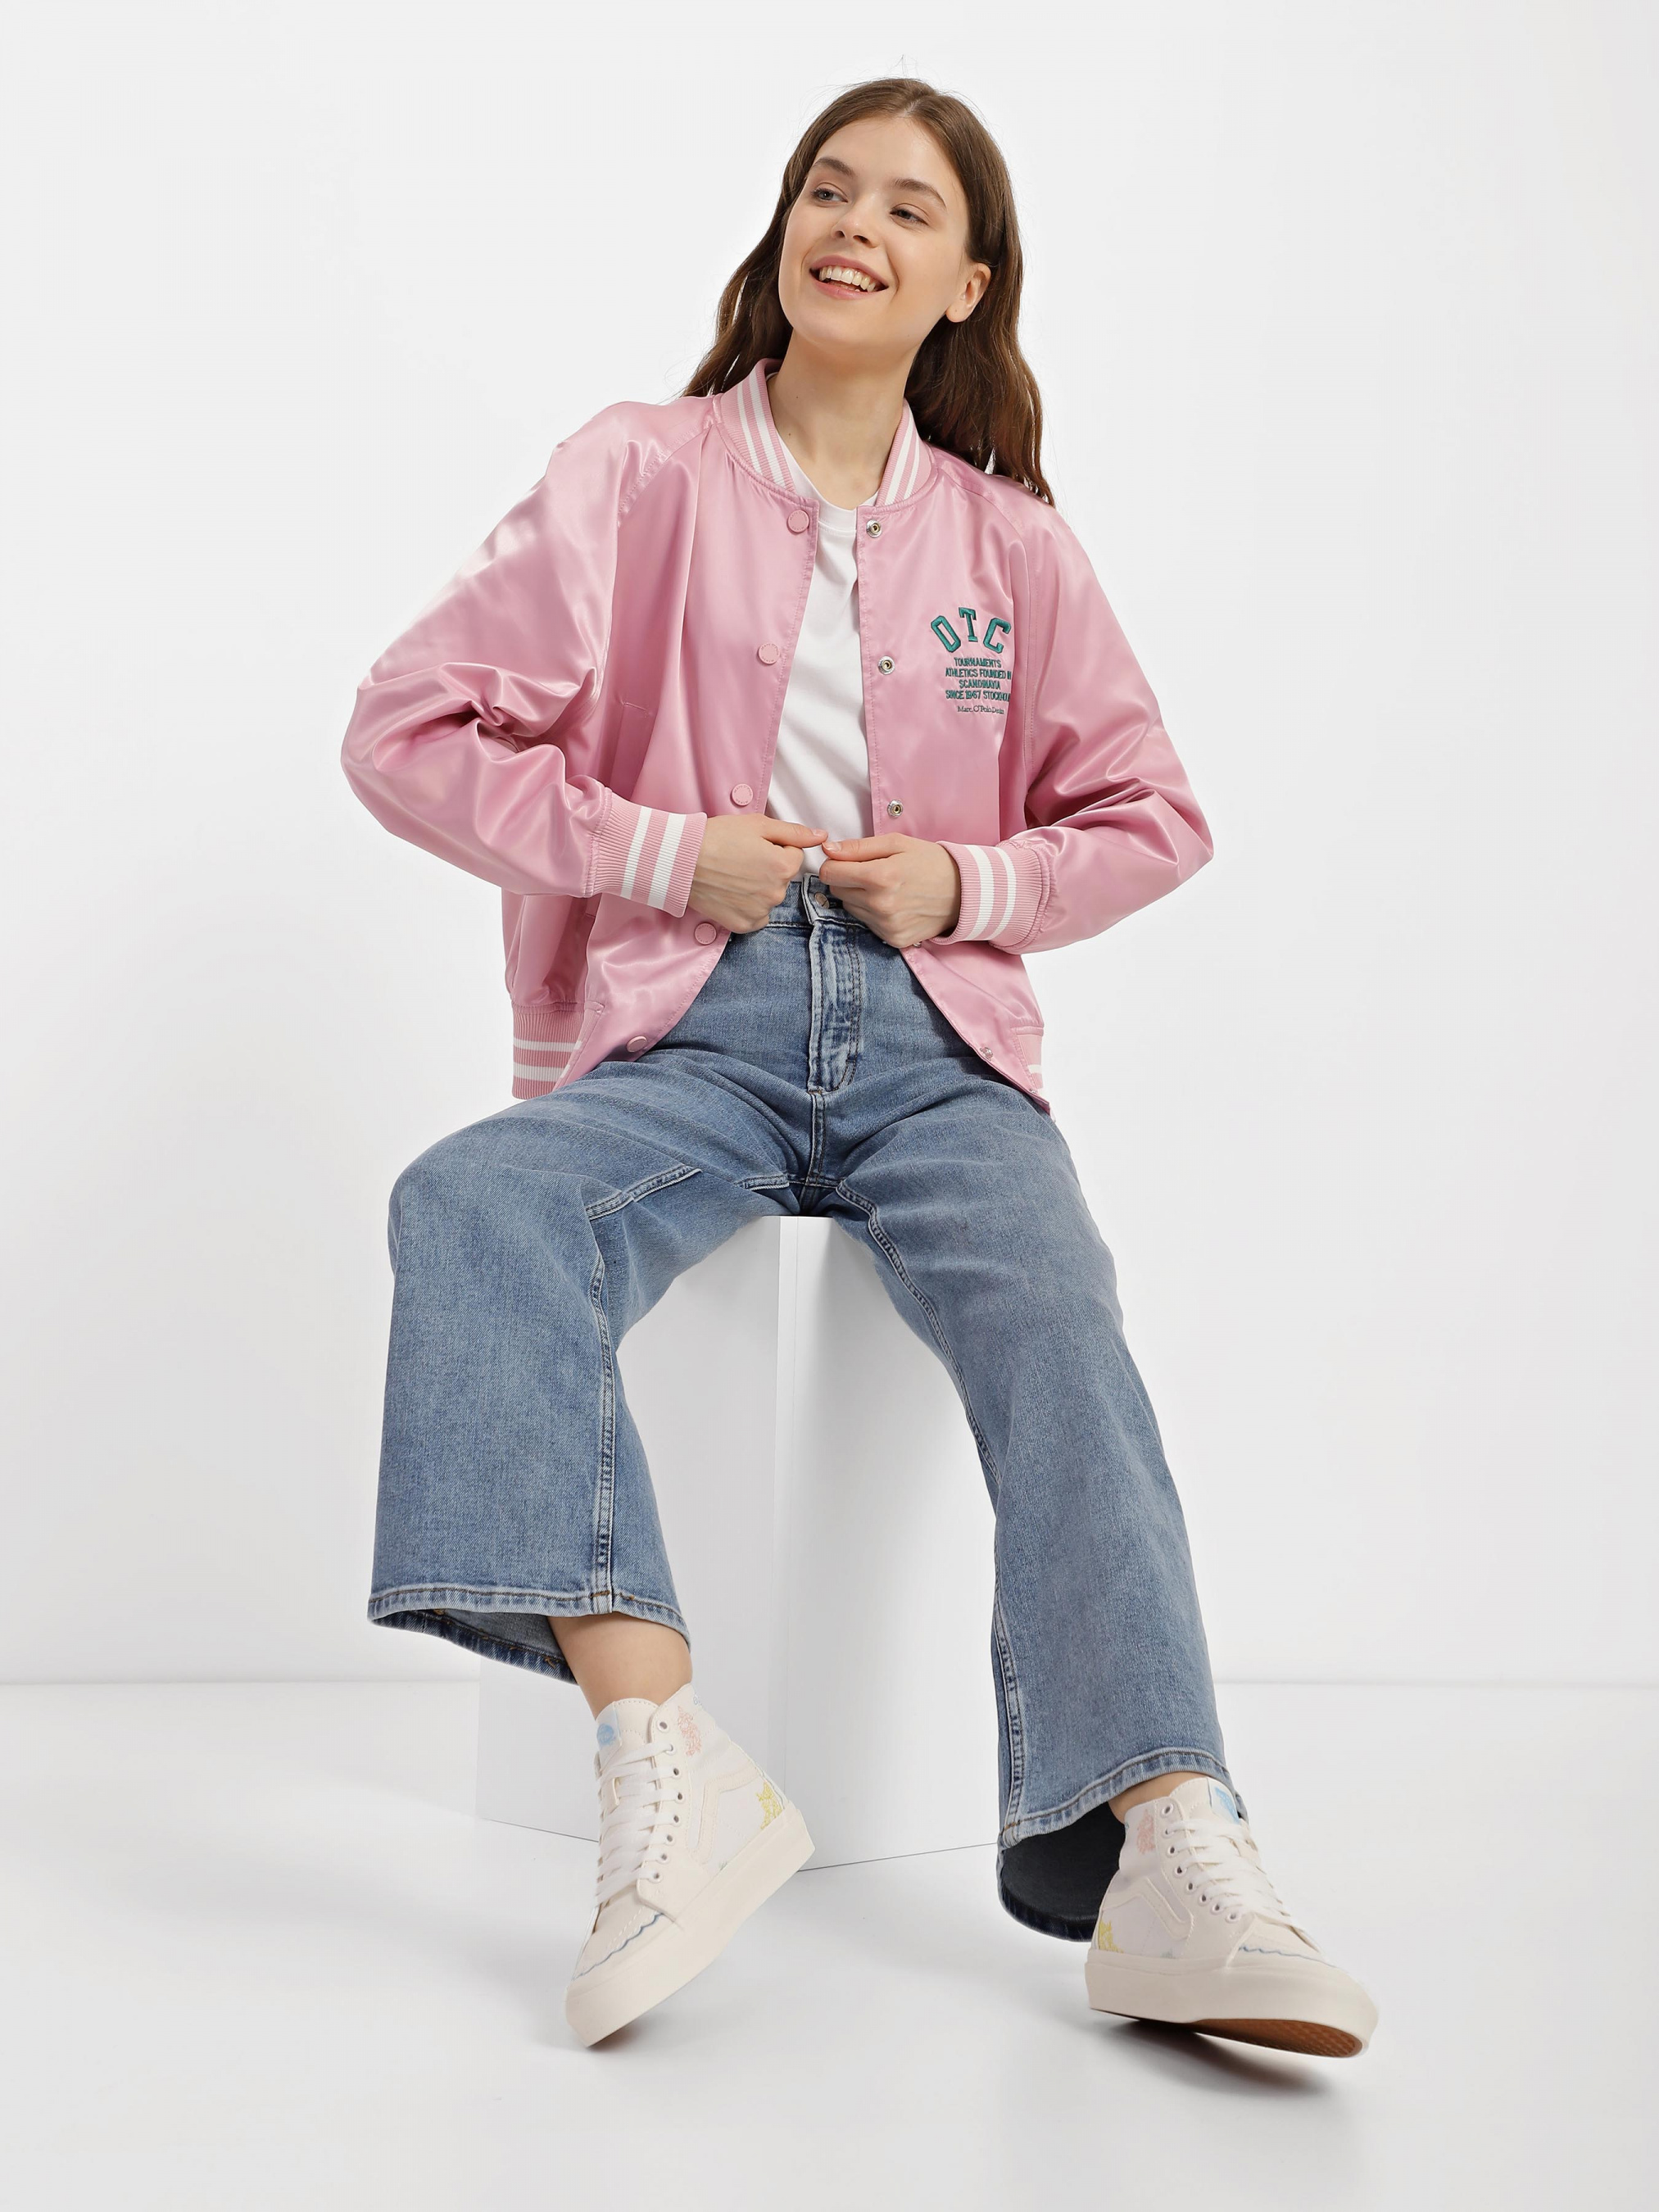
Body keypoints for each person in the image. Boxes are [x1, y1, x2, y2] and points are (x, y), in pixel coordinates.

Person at [339, 76, 1378, 2060]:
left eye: (909, 208)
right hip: (691, 1026)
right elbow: (406, 729)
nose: (857, 226)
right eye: (829, 188)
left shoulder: (1012, 546)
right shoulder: (633, 473)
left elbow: (1150, 814)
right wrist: (665, 853)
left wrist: (971, 880)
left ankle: (1171, 1845)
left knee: (1056, 1315)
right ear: (782, 231)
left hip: (933, 1045)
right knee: (468, 1205)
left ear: (965, 283)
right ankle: (661, 1752)